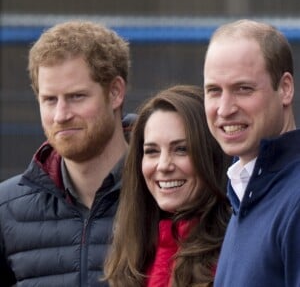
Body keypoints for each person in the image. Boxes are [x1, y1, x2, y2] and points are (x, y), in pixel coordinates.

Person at [0, 20, 136, 286]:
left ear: (116, 92)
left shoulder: (165, 194)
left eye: (76, 97)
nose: (61, 115)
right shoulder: (5, 210)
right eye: (50, 100)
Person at [203, 19, 300, 287]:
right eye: (214, 91)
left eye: (243, 89)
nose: (224, 109)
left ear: (285, 89)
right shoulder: (245, 191)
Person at [103, 85, 231, 287]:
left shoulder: (236, 252)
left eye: (181, 149)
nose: (163, 166)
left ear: (211, 155)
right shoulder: (132, 251)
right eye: (152, 151)